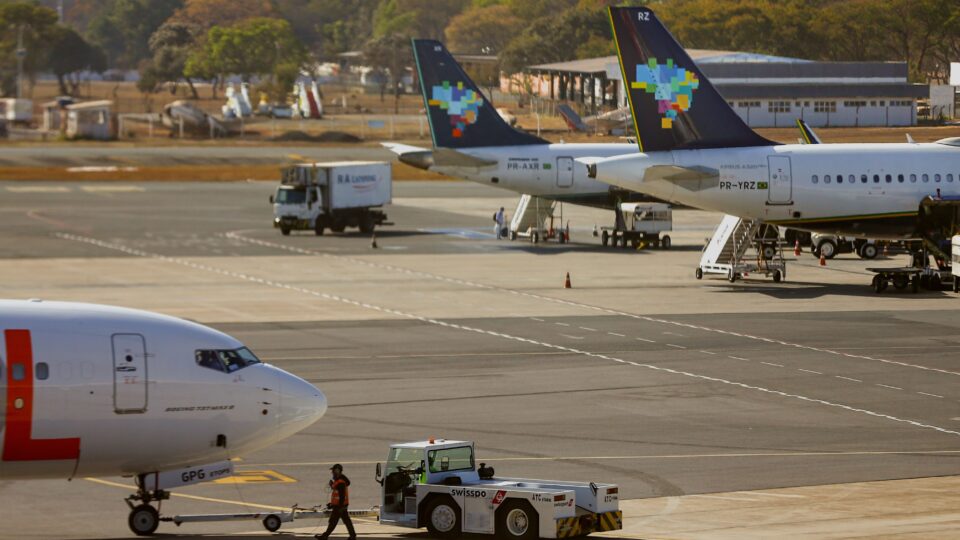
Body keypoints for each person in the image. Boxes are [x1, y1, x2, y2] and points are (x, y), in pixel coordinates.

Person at [315, 464, 356, 540]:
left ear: (337, 471)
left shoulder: (340, 482)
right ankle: (353, 536)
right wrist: (332, 504)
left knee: (333, 521)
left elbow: (342, 496)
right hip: (342, 506)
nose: (332, 473)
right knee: (346, 521)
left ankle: (325, 536)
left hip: (340, 506)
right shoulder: (339, 481)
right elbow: (337, 494)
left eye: (333, 471)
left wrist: (338, 507)